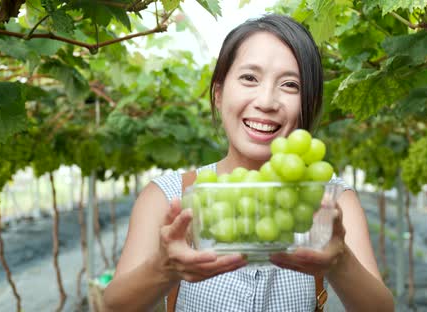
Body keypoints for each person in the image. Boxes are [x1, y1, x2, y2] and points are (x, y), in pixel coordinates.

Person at [103, 14, 394, 312]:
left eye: (290, 84)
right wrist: (165, 268)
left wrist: (340, 260)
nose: (266, 101)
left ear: (308, 103)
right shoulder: (168, 196)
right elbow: (113, 306)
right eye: (249, 78)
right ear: (218, 93)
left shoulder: (331, 202)